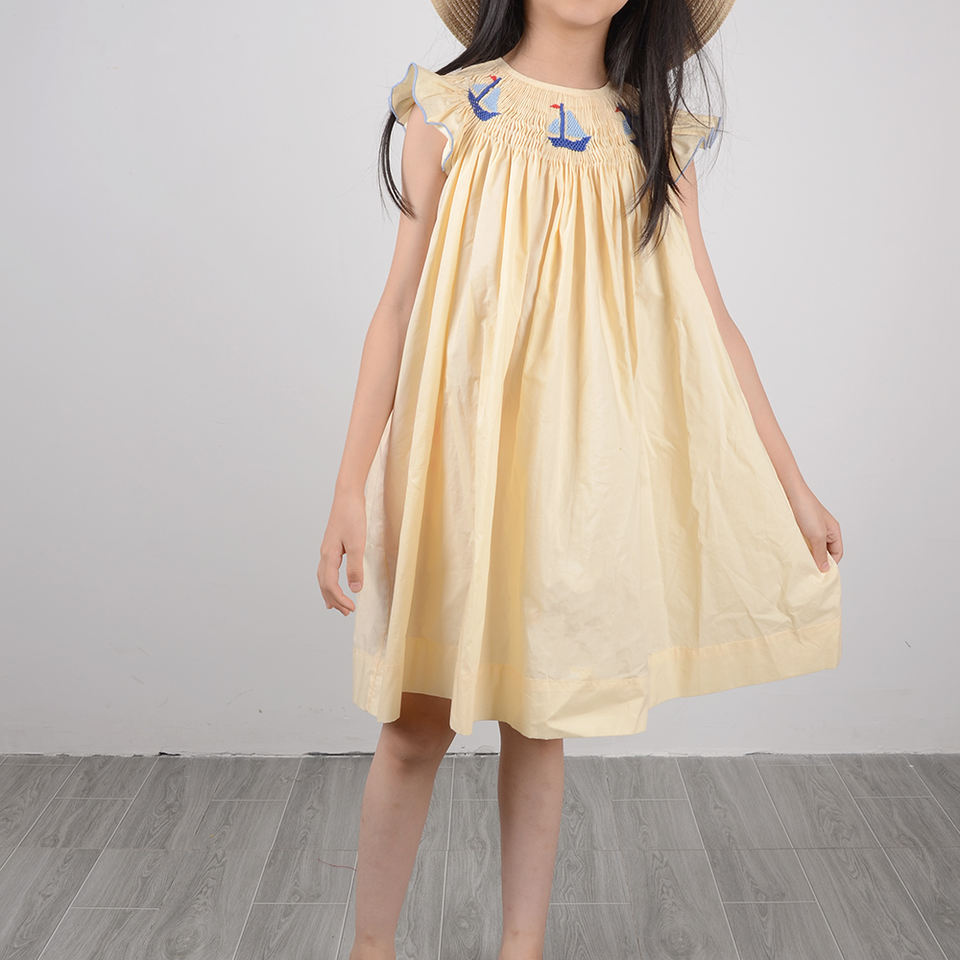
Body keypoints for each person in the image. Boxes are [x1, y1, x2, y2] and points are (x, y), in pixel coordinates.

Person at [318, 0, 843, 957]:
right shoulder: (451, 112)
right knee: (415, 724)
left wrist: (793, 486)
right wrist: (351, 485)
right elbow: (396, 306)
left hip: (573, 477)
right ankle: (370, 948)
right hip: (452, 465)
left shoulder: (649, 141)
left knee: (540, 717)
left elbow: (714, 325)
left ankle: (522, 948)